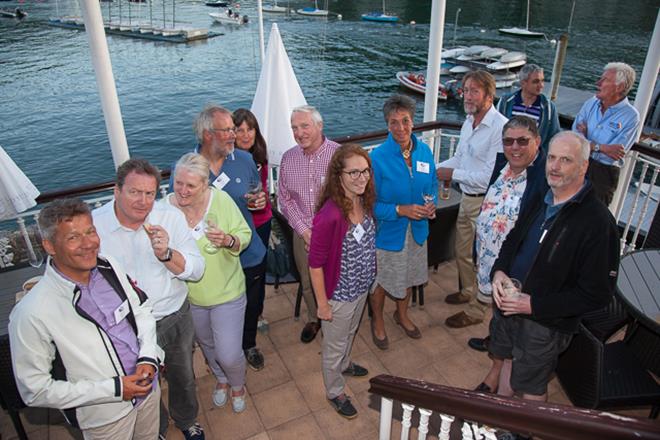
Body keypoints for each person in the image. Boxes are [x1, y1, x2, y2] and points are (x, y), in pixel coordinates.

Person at [10, 198, 163, 439]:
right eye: (73, 237)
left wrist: (147, 357)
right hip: (105, 417)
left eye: (90, 231)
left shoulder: (109, 266)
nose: (88, 243)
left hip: (148, 392)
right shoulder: (32, 312)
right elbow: (34, 389)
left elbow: (141, 309)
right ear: (49, 246)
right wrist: (114, 389)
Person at [489, 131, 620, 407]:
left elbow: (596, 294)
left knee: (532, 385)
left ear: (584, 166)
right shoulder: (542, 195)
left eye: (565, 160)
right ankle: (498, 416)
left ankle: (523, 432)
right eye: (551, 158)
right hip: (510, 304)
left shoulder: (598, 223)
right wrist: (499, 272)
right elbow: (514, 238)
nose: (555, 166)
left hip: (545, 324)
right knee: (510, 360)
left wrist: (534, 305)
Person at [93, 159, 206, 440]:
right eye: (134, 192)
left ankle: (187, 419)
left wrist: (167, 253)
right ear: (116, 191)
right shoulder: (94, 227)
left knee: (183, 376)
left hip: (172, 316)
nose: (143, 201)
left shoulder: (169, 217)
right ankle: (154, 430)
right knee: (142, 384)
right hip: (126, 328)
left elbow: (196, 269)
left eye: (149, 193)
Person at [173, 105, 268, 372]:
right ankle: (216, 353)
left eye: (233, 130)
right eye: (226, 130)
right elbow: (176, 214)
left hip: (248, 252)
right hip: (210, 263)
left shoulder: (245, 160)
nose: (233, 135)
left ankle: (248, 344)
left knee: (252, 304)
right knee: (211, 314)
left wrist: (258, 201)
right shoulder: (184, 170)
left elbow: (256, 194)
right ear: (207, 134)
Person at [167, 153, 252, 413]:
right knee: (207, 344)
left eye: (190, 185)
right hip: (188, 297)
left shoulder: (221, 200)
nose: (182, 190)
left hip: (227, 291)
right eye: (178, 183)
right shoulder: (165, 209)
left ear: (205, 185)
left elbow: (244, 234)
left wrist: (227, 240)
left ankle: (237, 383)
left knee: (228, 352)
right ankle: (222, 378)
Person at [445, 116, 547, 330]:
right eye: (508, 141)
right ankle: (488, 326)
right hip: (487, 254)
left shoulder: (544, 179)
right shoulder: (502, 165)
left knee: (508, 313)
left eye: (522, 141)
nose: (515, 147)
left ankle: (497, 342)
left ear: (537, 141)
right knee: (494, 303)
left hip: (514, 264)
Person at [308, 144, 376, 419]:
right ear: (339, 176)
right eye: (354, 173)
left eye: (365, 171)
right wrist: (323, 305)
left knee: (350, 333)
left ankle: (345, 364)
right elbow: (315, 264)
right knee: (333, 346)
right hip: (339, 295)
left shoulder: (362, 200)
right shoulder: (330, 215)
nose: (361, 178)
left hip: (361, 289)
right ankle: (335, 390)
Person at [370, 94, 438, 350]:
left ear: (413, 121)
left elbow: (430, 183)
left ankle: (402, 314)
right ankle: (377, 320)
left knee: (408, 275)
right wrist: (401, 210)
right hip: (389, 233)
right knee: (381, 281)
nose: (400, 128)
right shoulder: (378, 158)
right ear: (387, 125)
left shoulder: (424, 151)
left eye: (405, 121)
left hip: (418, 231)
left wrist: (431, 205)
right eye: (394, 122)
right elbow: (371, 206)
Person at [436, 70, 508, 309]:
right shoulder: (469, 122)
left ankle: (478, 309)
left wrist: (451, 175)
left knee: (486, 257)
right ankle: (468, 292)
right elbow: (459, 158)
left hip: (488, 203)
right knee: (462, 250)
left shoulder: (501, 128)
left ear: (489, 95)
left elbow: (490, 177)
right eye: (466, 90)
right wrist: (433, 169)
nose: (467, 96)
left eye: (474, 91)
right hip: (467, 198)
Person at [278, 105, 341, 343]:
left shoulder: (339, 156)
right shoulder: (288, 158)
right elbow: (284, 199)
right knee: (307, 281)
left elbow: (348, 196)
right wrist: (305, 231)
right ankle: (315, 318)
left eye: (305, 126)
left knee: (336, 277)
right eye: (294, 127)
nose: (299, 132)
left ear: (319, 126)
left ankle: (336, 319)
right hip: (303, 233)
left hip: (336, 232)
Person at [233, 108, 273, 368]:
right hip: (238, 227)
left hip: (261, 222)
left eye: (250, 129)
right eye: (240, 129)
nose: (246, 134)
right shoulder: (227, 161)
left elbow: (262, 191)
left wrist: (261, 200)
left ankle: (254, 316)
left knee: (257, 273)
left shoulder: (260, 156)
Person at [572, 62, 640, 206]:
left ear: (619, 87)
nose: (598, 83)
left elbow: (615, 153)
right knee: (564, 209)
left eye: (605, 80)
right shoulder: (591, 103)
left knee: (592, 220)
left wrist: (587, 139)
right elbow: (574, 137)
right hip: (578, 164)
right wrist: (601, 147)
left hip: (603, 175)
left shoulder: (631, 116)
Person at [496, 64, 560, 152]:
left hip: (533, 161)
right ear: (523, 83)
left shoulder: (548, 108)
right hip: (506, 156)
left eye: (542, 81)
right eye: (536, 81)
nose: (541, 85)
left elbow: (554, 136)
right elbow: (496, 129)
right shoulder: (505, 102)